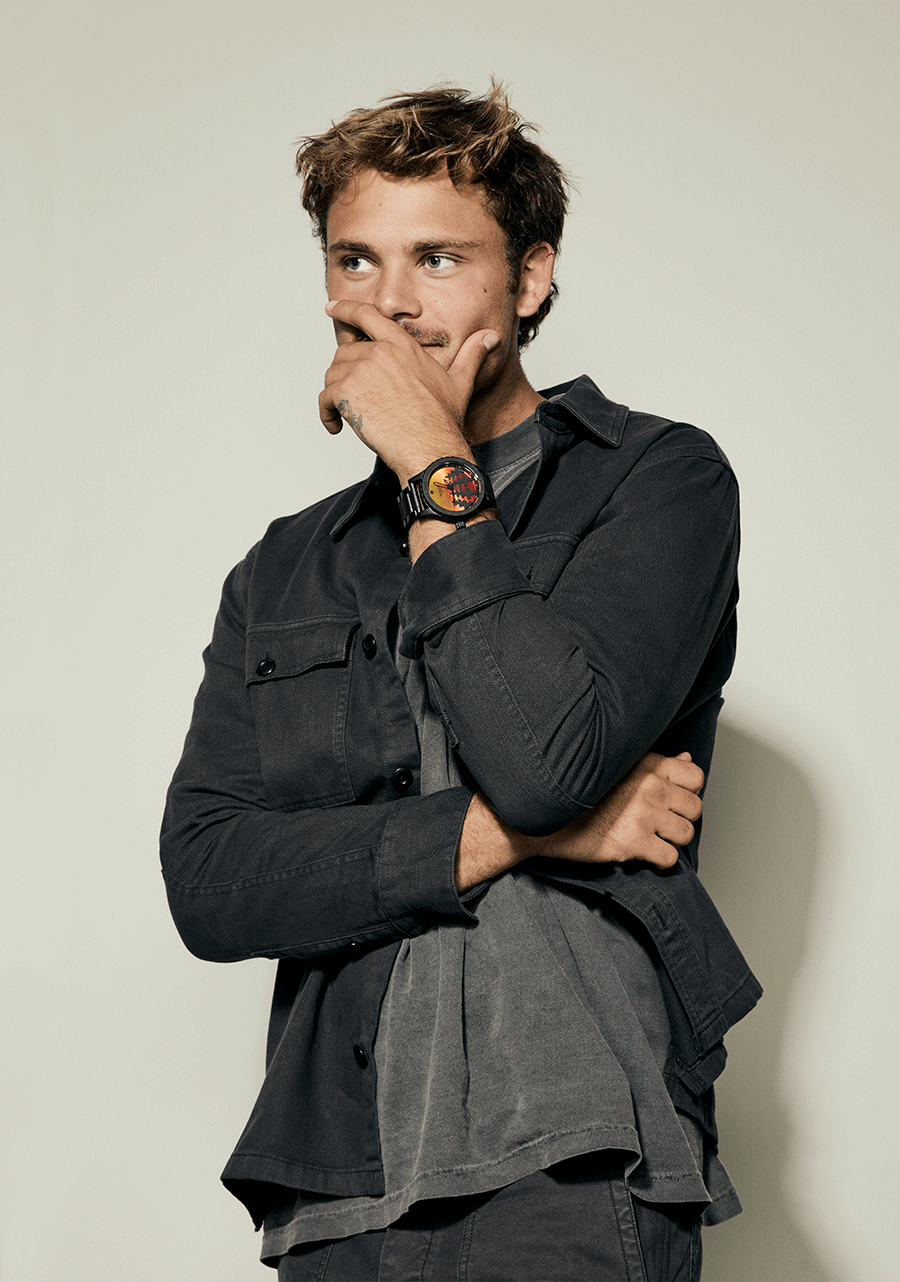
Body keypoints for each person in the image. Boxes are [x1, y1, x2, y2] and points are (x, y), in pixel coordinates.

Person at [161, 84, 761, 1281]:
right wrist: (515, 838)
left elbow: (545, 760)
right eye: (357, 260)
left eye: (438, 258)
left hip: (576, 1163)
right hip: (338, 1189)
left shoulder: (658, 481)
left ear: (529, 279)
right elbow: (211, 882)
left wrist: (435, 463)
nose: (391, 300)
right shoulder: (283, 567)